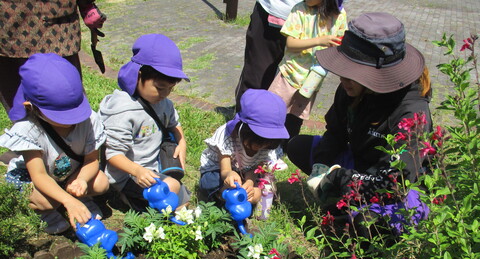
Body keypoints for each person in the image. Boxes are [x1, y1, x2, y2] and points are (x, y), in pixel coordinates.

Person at [286, 12, 432, 236]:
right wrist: (322, 166)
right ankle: (348, 202)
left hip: (400, 187)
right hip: (360, 165)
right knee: (298, 146)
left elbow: (396, 181)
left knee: (366, 227)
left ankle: (357, 211)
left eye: (352, 73)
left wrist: (339, 177)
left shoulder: (411, 113)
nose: (342, 79)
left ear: (378, 75)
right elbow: (335, 130)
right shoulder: (351, 88)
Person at [0, 53, 109, 234]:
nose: (71, 120)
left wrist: (81, 180)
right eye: (61, 116)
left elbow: (91, 160)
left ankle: (79, 199)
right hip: (33, 177)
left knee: (101, 183)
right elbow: (39, 176)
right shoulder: (28, 130)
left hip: (67, 173)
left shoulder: (89, 120)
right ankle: (47, 212)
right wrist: (68, 200)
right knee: (45, 200)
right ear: (30, 106)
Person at [98, 34, 190, 213]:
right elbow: (113, 153)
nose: (165, 94)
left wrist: (182, 141)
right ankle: (128, 195)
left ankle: (146, 201)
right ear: (138, 75)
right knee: (172, 190)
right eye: (160, 87)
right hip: (127, 174)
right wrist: (137, 171)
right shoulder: (123, 110)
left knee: (182, 202)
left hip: (154, 167)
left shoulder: (164, 103)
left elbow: (173, 123)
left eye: (170, 89)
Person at [0, 0, 106, 111]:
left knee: (68, 99)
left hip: (55, 25)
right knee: (19, 103)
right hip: (10, 28)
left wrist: (87, 6)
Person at [268, 0, 347, 138]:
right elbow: (291, 43)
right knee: (273, 113)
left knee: (295, 117)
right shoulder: (300, 10)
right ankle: (266, 144)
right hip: (290, 72)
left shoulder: (339, 15)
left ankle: (287, 146)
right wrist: (320, 41)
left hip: (313, 79)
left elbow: (341, 42)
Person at [199, 89, 289, 206]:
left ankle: (240, 198)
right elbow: (225, 170)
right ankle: (223, 195)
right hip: (220, 170)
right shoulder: (226, 135)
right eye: (257, 143)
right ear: (243, 129)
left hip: (247, 171)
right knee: (209, 182)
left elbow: (256, 167)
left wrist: (250, 183)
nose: (260, 147)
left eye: (266, 144)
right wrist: (229, 175)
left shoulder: (267, 147)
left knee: (258, 192)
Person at [234, 0, 303, 111]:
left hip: (312, 19)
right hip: (274, 12)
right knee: (256, 77)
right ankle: (244, 122)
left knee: (297, 85)